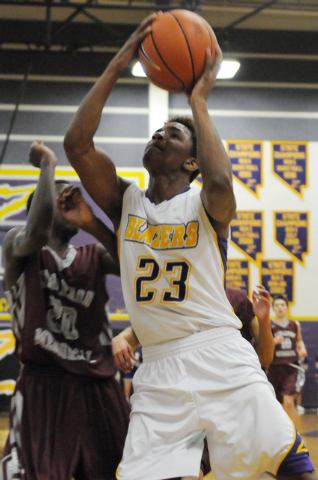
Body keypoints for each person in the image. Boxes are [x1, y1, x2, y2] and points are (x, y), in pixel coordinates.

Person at [63, 13, 316, 480]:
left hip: (219, 353)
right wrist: (121, 60)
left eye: (173, 135)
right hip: (158, 367)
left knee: (292, 467)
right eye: (157, 131)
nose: (159, 135)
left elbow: (221, 178)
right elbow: (77, 145)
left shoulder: (207, 205)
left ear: (193, 161)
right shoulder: (127, 202)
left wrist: (198, 99)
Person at [1, 141, 130, 480]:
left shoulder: (94, 256)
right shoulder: (19, 245)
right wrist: (48, 165)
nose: (69, 200)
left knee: (123, 473)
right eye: (60, 198)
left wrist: (91, 222)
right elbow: (38, 229)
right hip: (43, 385)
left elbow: (134, 263)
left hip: (96, 385)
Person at [267, 294, 308, 423]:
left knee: (289, 403)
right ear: (273, 308)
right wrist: (273, 341)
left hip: (291, 368)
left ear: (287, 308)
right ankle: (281, 434)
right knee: (276, 405)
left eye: (282, 305)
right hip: (274, 368)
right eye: (277, 305)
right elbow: (263, 346)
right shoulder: (268, 325)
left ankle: (296, 435)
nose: (280, 308)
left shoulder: (295, 325)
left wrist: (302, 349)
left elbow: (299, 341)